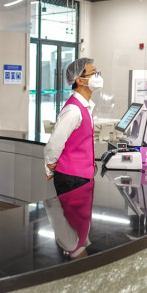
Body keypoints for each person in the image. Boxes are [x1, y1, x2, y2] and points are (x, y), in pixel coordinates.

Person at [44, 57, 102, 196]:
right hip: (72, 179)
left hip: (82, 175)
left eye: (97, 72)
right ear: (80, 80)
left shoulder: (85, 106)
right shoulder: (73, 110)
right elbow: (55, 142)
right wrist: (50, 165)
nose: (97, 76)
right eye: (93, 73)